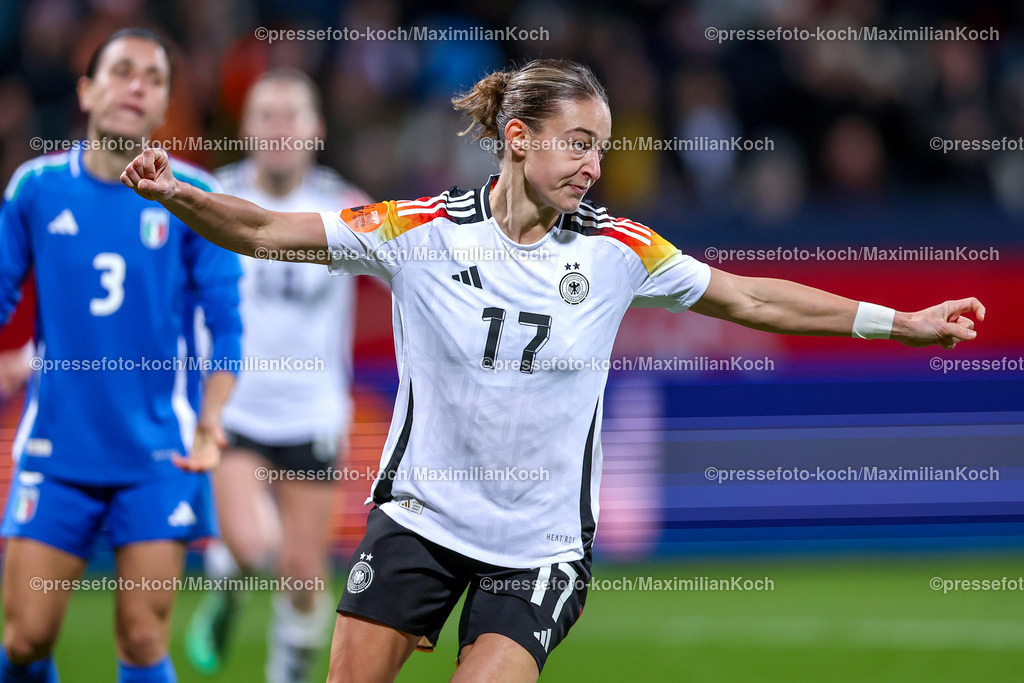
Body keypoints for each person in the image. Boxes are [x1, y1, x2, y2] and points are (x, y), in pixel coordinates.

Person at [120, 58, 985, 683]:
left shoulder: (620, 248)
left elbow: (751, 299)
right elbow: (270, 230)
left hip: (536, 550)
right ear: (517, 137)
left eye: (601, 148)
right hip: (421, 519)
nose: (593, 166)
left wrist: (896, 321)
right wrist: (177, 193)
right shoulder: (418, 230)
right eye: (577, 144)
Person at [0, 28, 242, 683]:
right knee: (23, 639)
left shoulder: (193, 195)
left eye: (154, 77)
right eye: (121, 70)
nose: (136, 85)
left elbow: (228, 326)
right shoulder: (35, 188)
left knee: (141, 638)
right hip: (56, 452)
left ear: (165, 106)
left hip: (156, 454)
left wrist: (211, 419)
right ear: (87, 89)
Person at [184, 68, 370, 682]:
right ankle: (227, 583)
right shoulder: (210, 195)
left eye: (293, 114)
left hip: (312, 411)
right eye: (267, 114)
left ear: (316, 129)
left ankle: (284, 674)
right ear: (246, 128)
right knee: (250, 545)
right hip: (234, 407)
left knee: (302, 572)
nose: (280, 127)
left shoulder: (348, 207)